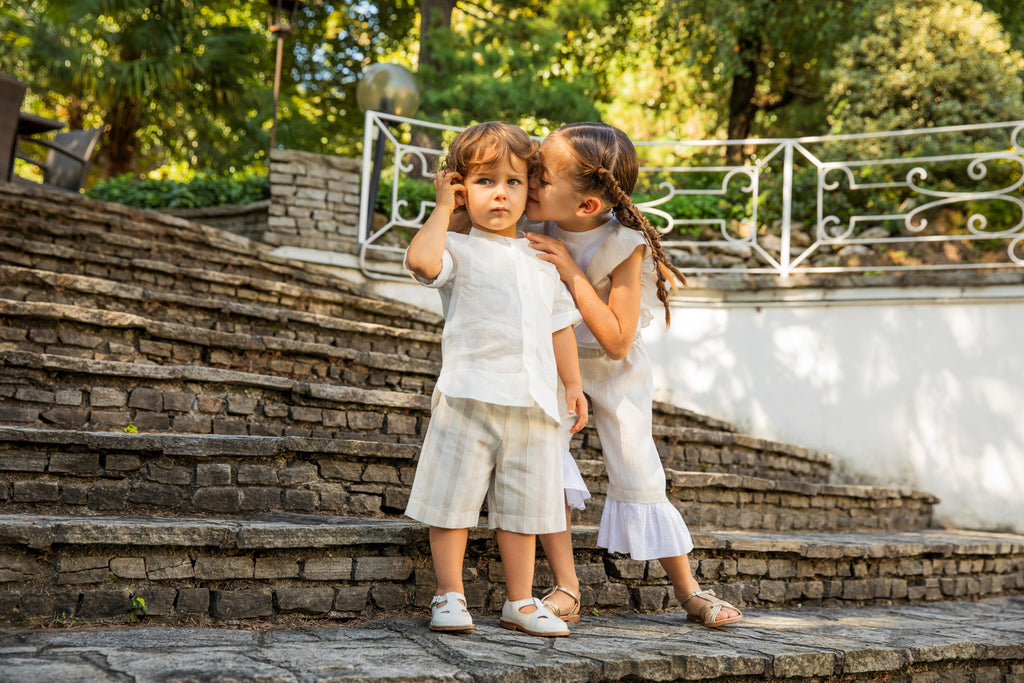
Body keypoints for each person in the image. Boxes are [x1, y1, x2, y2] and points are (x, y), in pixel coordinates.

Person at [525, 121, 744, 629]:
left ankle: (688, 591)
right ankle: (568, 588)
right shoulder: (529, 222)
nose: (529, 181)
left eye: (540, 176)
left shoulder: (624, 244)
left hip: (615, 367)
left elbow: (618, 339)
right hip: (554, 363)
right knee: (545, 453)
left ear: (586, 206)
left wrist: (571, 271)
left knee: (638, 468)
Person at [404, 121, 589, 638]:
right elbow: (420, 263)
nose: (501, 194)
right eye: (485, 182)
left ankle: (520, 600)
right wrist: (444, 208)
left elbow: (559, 327)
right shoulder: (458, 250)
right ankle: (450, 593)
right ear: (462, 187)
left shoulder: (542, 258)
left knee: (524, 507)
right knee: (453, 499)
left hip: (533, 402)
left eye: (513, 182)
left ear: (529, 188)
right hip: (470, 394)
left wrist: (572, 385)